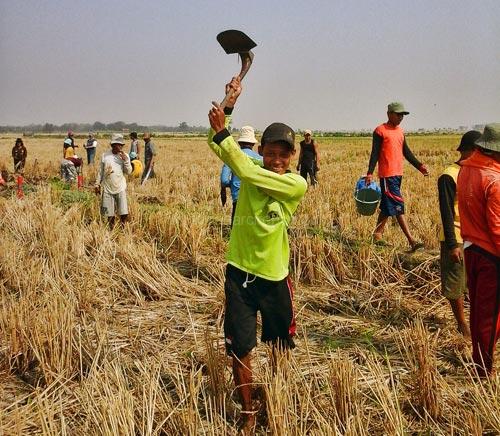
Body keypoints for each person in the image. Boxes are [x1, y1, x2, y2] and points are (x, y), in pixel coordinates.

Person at [208, 77, 307, 433]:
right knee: (240, 349)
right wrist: (229, 103)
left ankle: (278, 396)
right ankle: (248, 412)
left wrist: (225, 135)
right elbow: (217, 145)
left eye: (284, 153)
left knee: (280, 347)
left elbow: (241, 163)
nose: (277, 159)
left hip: (275, 278)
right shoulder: (251, 167)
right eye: (271, 152)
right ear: (262, 149)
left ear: (292, 156)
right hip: (239, 275)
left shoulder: (295, 184)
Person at [457, 123, 500, 377]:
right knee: (487, 317)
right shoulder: (493, 179)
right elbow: (497, 228)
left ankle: (480, 359)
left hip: (471, 249)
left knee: (480, 312)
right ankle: (482, 369)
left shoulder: (465, 171)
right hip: (491, 255)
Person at [365, 102, 429, 251]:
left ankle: (377, 235)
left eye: (403, 115)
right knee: (398, 206)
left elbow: (406, 152)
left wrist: (420, 166)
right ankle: (412, 241)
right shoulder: (380, 131)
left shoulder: (400, 131)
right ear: (389, 114)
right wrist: (369, 173)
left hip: (398, 174)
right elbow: (374, 153)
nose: (401, 117)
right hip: (387, 175)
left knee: (388, 207)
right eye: (398, 114)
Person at [438, 131, 480, 337]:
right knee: (455, 283)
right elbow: (446, 212)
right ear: (470, 151)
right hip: (455, 237)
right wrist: (453, 244)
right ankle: (462, 324)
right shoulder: (449, 175)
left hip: (475, 238)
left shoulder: (476, 173)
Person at [220, 125, 262, 226]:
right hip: (255, 199)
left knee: (236, 227)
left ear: (239, 143)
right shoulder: (260, 159)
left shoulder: (231, 157)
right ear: (253, 143)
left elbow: (224, 180)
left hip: (237, 198)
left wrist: (234, 183)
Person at [94, 133, 132, 226]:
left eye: (121, 145)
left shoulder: (125, 156)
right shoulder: (105, 156)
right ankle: (111, 228)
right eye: (117, 144)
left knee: (123, 211)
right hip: (107, 187)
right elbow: (101, 171)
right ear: (113, 145)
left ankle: (123, 228)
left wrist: (126, 161)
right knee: (108, 213)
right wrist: (97, 184)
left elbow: (129, 172)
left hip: (120, 187)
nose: (120, 147)